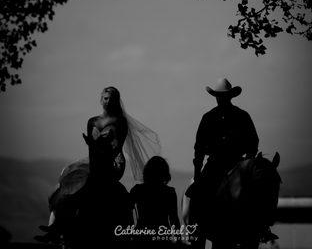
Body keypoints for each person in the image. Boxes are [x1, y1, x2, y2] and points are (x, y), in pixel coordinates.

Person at [36, 86, 161, 245]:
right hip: (95, 161)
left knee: (89, 185)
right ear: (101, 99)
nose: (108, 102)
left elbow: (117, 147)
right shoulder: (92, 121)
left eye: (111, 99)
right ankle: (56, 227)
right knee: (71, 185)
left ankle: (58, 228)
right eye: (106, 98)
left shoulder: (120, 121)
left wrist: (104, 145)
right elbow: (92, 149)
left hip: (113, 163)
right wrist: (95, 148)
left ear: (116, 101)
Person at [186, 78, 259, 248]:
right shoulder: (210, 117)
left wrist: (247, 163)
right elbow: (199, 150)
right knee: (197, 195)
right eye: (219, 95)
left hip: (237, 166)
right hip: (215, 166)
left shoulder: (241, 116)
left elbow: (253, 145)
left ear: (230, 96)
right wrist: (197, 176)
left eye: (223, 95)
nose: (221, 98)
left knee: (259, 194)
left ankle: (259, 228)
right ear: (216, 97)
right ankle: (195, 232)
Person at [130, 156, 181, 248]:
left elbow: (128, 214)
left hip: (141, 236)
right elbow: (174, 219)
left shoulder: (137, 190)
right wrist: (179, 240)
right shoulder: (170, 192)